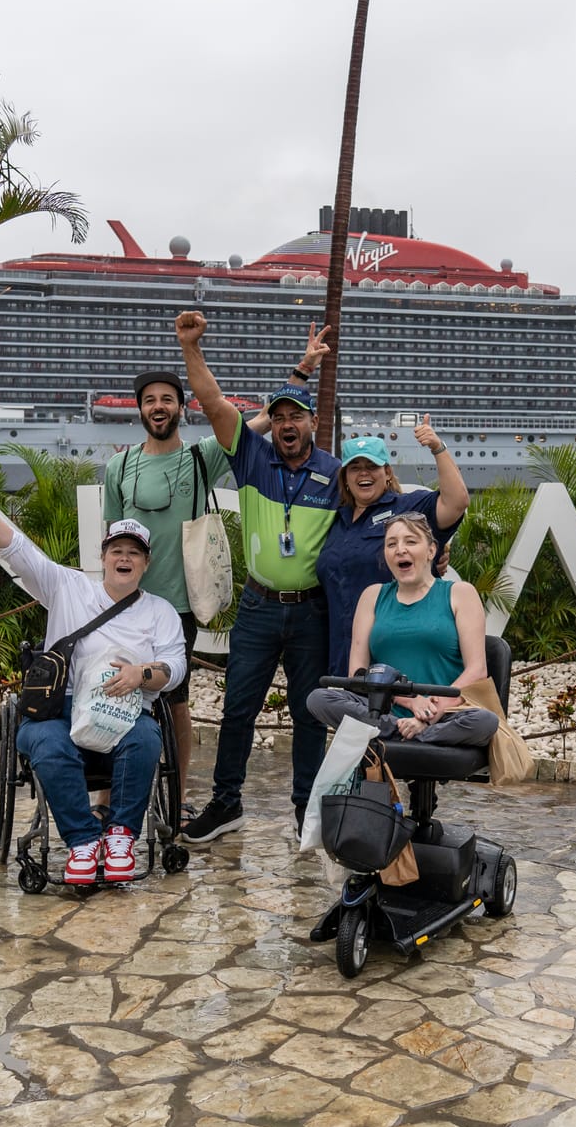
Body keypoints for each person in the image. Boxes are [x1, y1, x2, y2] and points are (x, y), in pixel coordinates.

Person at [100, 334, 328, 815]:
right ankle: (106, 794)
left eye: (167, 400)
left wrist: (302, 371)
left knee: (174, 699)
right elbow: (112, 538)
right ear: (139, 409)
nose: (158, 407)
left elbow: (258, 420)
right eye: (149, 401)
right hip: (125, 601)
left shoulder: (202, 455)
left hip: (179, 602)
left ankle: (180, 796)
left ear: (182, 409)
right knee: (111, 686)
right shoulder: (119, 465)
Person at [0, 475, 184, 885]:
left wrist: (141, 675)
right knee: (45, 740)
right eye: (117, 551)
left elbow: (174, 666)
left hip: (127, 713)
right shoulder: (67, 586)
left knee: (147, 738)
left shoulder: (160, 611)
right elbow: (19, 552)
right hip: (62, 708)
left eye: (134, 552)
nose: (124, 558)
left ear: (146, 563)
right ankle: (81, 841)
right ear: (104, 557)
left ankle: (120, 837)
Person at [175, 309, 341, 841]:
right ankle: (227, 804)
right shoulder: (252, 458)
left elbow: (385, 517)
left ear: (313, 422)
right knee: (238, 709)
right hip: (258, 607)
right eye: (281, 417)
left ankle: (305, 812)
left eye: (298, 417)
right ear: (273, 423)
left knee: (309, 716)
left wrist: (434, 552)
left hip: (312, 610)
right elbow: (212, 401)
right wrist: (191, 349)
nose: (289, 425)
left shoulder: (336, 474)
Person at [307, 512, 499, 747]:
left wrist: (428, 712)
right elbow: (358, 675)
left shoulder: (460, 593)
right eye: (391, 544)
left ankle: (411, 733)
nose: (400, 549)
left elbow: (477, 671)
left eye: (410, 541)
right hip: (382, 713)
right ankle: (401, 731)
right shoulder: (372, 595)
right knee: (319, 698)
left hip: (445, 713)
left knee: (485, 721)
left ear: (431, 551)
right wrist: (412, 701)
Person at [315, 416, 469, 677]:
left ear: (386, 473)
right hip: (342, 650)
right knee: (346, 715)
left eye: (372, 466)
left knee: (396, 714)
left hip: (395, 650)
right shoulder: (335, 520)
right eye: (355, 468)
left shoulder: (407, 508)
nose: (364, 473)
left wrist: (437, 447)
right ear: (346, 478)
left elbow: (456, 502)